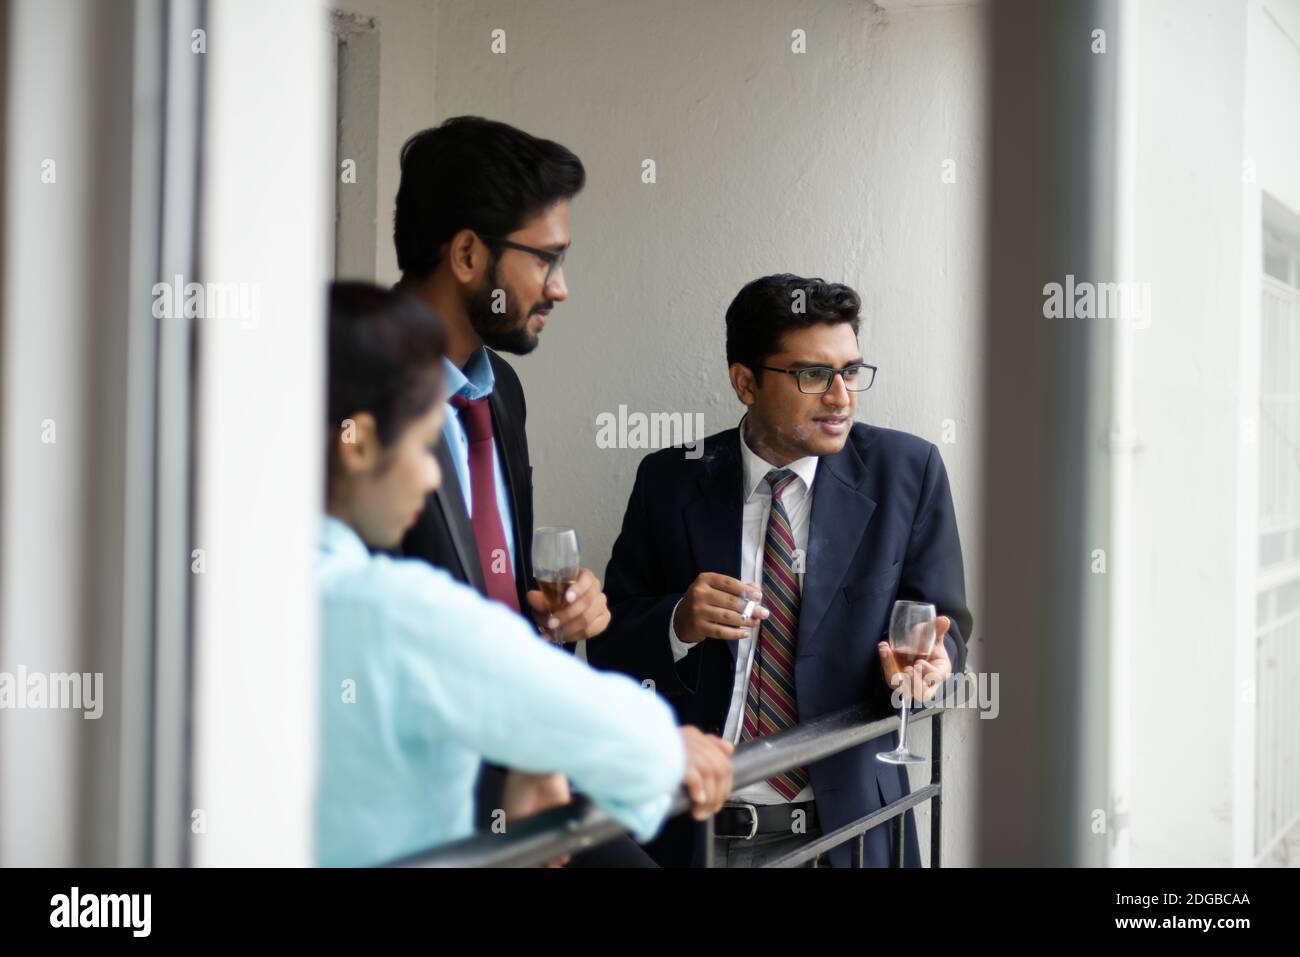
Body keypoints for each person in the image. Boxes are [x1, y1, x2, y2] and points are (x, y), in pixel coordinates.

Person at [316, 282, 733, 867]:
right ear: (358, 448)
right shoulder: (387, 606)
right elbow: (573, 714)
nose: (436, 480)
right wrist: (671, 750)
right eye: (421, 448)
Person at [587, 274, 973, 868]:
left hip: (852, 832)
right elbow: (609, 646)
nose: (841, 396)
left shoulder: (908, 472)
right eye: (813, 375)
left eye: (851, 372)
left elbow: (944, 633)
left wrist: (930, 670)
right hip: (700, 834)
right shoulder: (670, 479)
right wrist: (677, 623)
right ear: (745, 382)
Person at [391, 116, 653, 866]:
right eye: (548, 259)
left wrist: (560, 614)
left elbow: (489, 588)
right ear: (468, 253)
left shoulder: (501, 390)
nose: (561, 289)